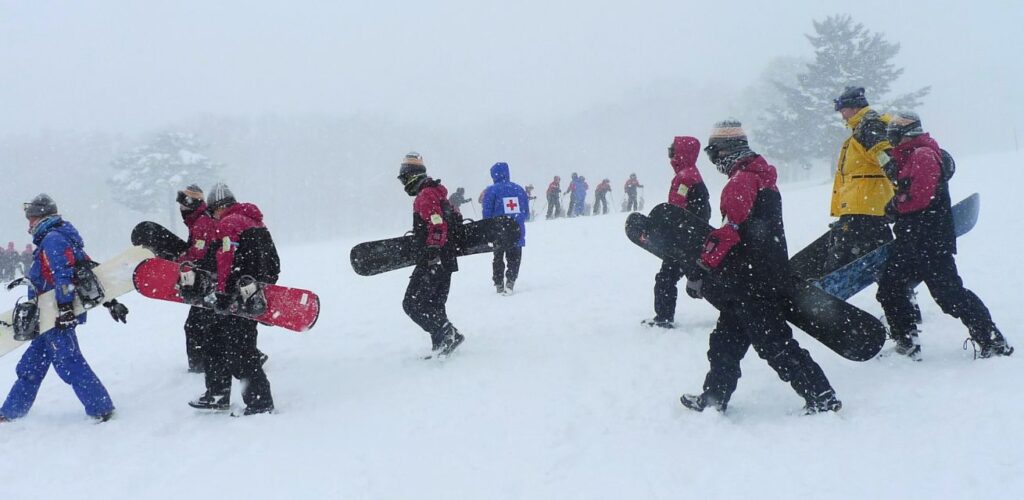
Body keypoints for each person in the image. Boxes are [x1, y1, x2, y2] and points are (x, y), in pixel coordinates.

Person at [680, 120, 841, 415]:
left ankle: (821, 395)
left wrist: (700, 267)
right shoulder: (759, 177)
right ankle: (714, 397)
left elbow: (729, 231)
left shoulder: (742, 181)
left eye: (713, 153)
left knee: (773, 342)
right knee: (725, 342)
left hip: (752, 279)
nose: (714, 162)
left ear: (726, 150)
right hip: (752, 274)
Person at [877, 112, 1013, 359]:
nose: (891, 136)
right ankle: (906, 341)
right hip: (911, 239)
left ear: (906, 132)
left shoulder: (923, 155)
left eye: (894, 131)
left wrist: (895, 205)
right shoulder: (910, 156)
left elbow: (920, 197)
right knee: (890, 288)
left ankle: (992, 339)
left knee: (948, 295)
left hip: (930, 240)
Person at [0, 194, 126, 423]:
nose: (29, 223)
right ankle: (11, 411)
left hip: (57, 315)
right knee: (32, 365)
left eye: (33, 218)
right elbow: (89, 270)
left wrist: (66, 308)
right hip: (47, 315)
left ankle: (101, 408)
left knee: (68, 361)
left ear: (43, 217)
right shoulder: (59, 236)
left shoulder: (53, 239)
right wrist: (110, 301)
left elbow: (64, 275)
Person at [187, 183, 279, 416]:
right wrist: (263, 284)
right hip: (252, 295)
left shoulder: (228, 224)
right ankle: (216, 395)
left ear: (218, 207)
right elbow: (274, 261)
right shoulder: (256, 222)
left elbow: (226, 260)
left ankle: (260, 403)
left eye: (211, 210)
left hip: (235, 298)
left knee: (240, 351)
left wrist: (223, 293)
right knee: (216, 342)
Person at [397, 152, 465, 357]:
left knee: (412, 303)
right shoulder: (439, 193)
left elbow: (437, 223)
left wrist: (433, 247)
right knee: (434, 303)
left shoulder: (425, 195)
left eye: (403, 179)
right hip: (447, 259)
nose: (403, 185)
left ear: (411, 176)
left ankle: (448, 333)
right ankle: (441, 345)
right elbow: (456, 218)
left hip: (434, 258)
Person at [642, 136, 711, 328]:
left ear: (682, 153)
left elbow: (676, 211)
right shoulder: (691, 174)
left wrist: (664, 232)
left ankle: (663, 317)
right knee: (671, 276)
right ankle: (663, 316)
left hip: (684, 239)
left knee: (666, 277)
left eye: (673, 150)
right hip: (690, 237)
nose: (670, 154)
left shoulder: (685, 178)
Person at [827, 87, 895, 271]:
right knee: (878, 251)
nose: (842, 116)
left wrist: (901, 185)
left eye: (843, 110)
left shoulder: (869, 126)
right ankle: (896, 290)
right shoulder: (862, 127)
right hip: (865, 204)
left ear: (855, 108)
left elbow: (887, 157)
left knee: (845, 251)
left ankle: (826, 293)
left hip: (864, 206)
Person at [176, 185, 219, 373]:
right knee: (209, 324)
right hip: (208, 279)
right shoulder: (198, 221)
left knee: (196, 325)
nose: (181, 208)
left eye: (183, 203)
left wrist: (180, 260)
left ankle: (199, 365)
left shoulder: (202, 222)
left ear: (192, 203)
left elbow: (198, 253)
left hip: (207, 281)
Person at [481, 162, 529, 294]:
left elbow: (487, 213)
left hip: (498, 231)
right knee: (515, 257)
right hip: (516, 230)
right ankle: (511, 281)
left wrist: (488, 229)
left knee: (498, 257)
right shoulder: (519, 189)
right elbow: (526, 212)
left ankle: (499, 283)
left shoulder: (491, 190)